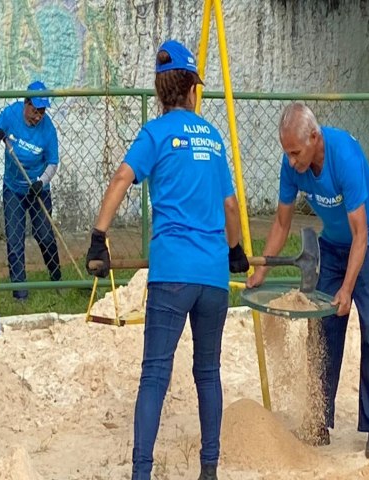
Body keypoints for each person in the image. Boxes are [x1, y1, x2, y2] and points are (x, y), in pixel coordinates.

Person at [85, 40, 249, 480]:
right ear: (193, 89)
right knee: (208, 373)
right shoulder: (212, 137)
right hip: (212, 276)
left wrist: (99, 236)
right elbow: (230, 207)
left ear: (160, 91)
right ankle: (209, 469)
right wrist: (235, 251)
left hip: (172, 273)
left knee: (155, 374)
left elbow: (123, 176)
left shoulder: (156, 134)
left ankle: (142, 472)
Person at [246, 103, 369, 458]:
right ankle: (318, 421)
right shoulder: (291, 165)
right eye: (286, 152)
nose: (291, 160)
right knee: (322, 330)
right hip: (333, 242)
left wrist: (346, 289)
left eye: (295, 152)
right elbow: (282, 223)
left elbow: (360, 234)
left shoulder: (344, 156)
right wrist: (261, 271)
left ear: (314, 137)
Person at [0, 80, 61, 302]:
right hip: (13, 189)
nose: (38, 116)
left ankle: (58, 278)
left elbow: (53, 163)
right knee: (15, 240)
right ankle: (20, 295)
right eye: (35, 110)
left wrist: (41, 182)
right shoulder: (10, 114)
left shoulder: (48, 129)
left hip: (37, 189)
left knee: (45, 235)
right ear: (26, 104)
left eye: (42, 111)